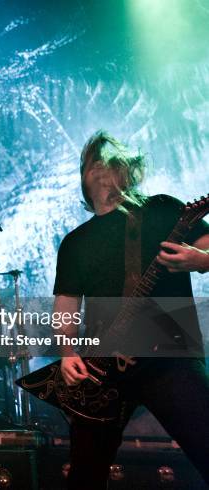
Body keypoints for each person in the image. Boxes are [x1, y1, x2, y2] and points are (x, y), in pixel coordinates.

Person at [53, 131, 209, 489]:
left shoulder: (164, 209)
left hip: (170, 359)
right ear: (83, 177)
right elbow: (66, 306)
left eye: (111, 160)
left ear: (129, 169)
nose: (103, 168)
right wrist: (66, 353)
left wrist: (201, 260)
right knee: (85, 476)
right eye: (94, 162)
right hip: (102, 369)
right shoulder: (75, 242)